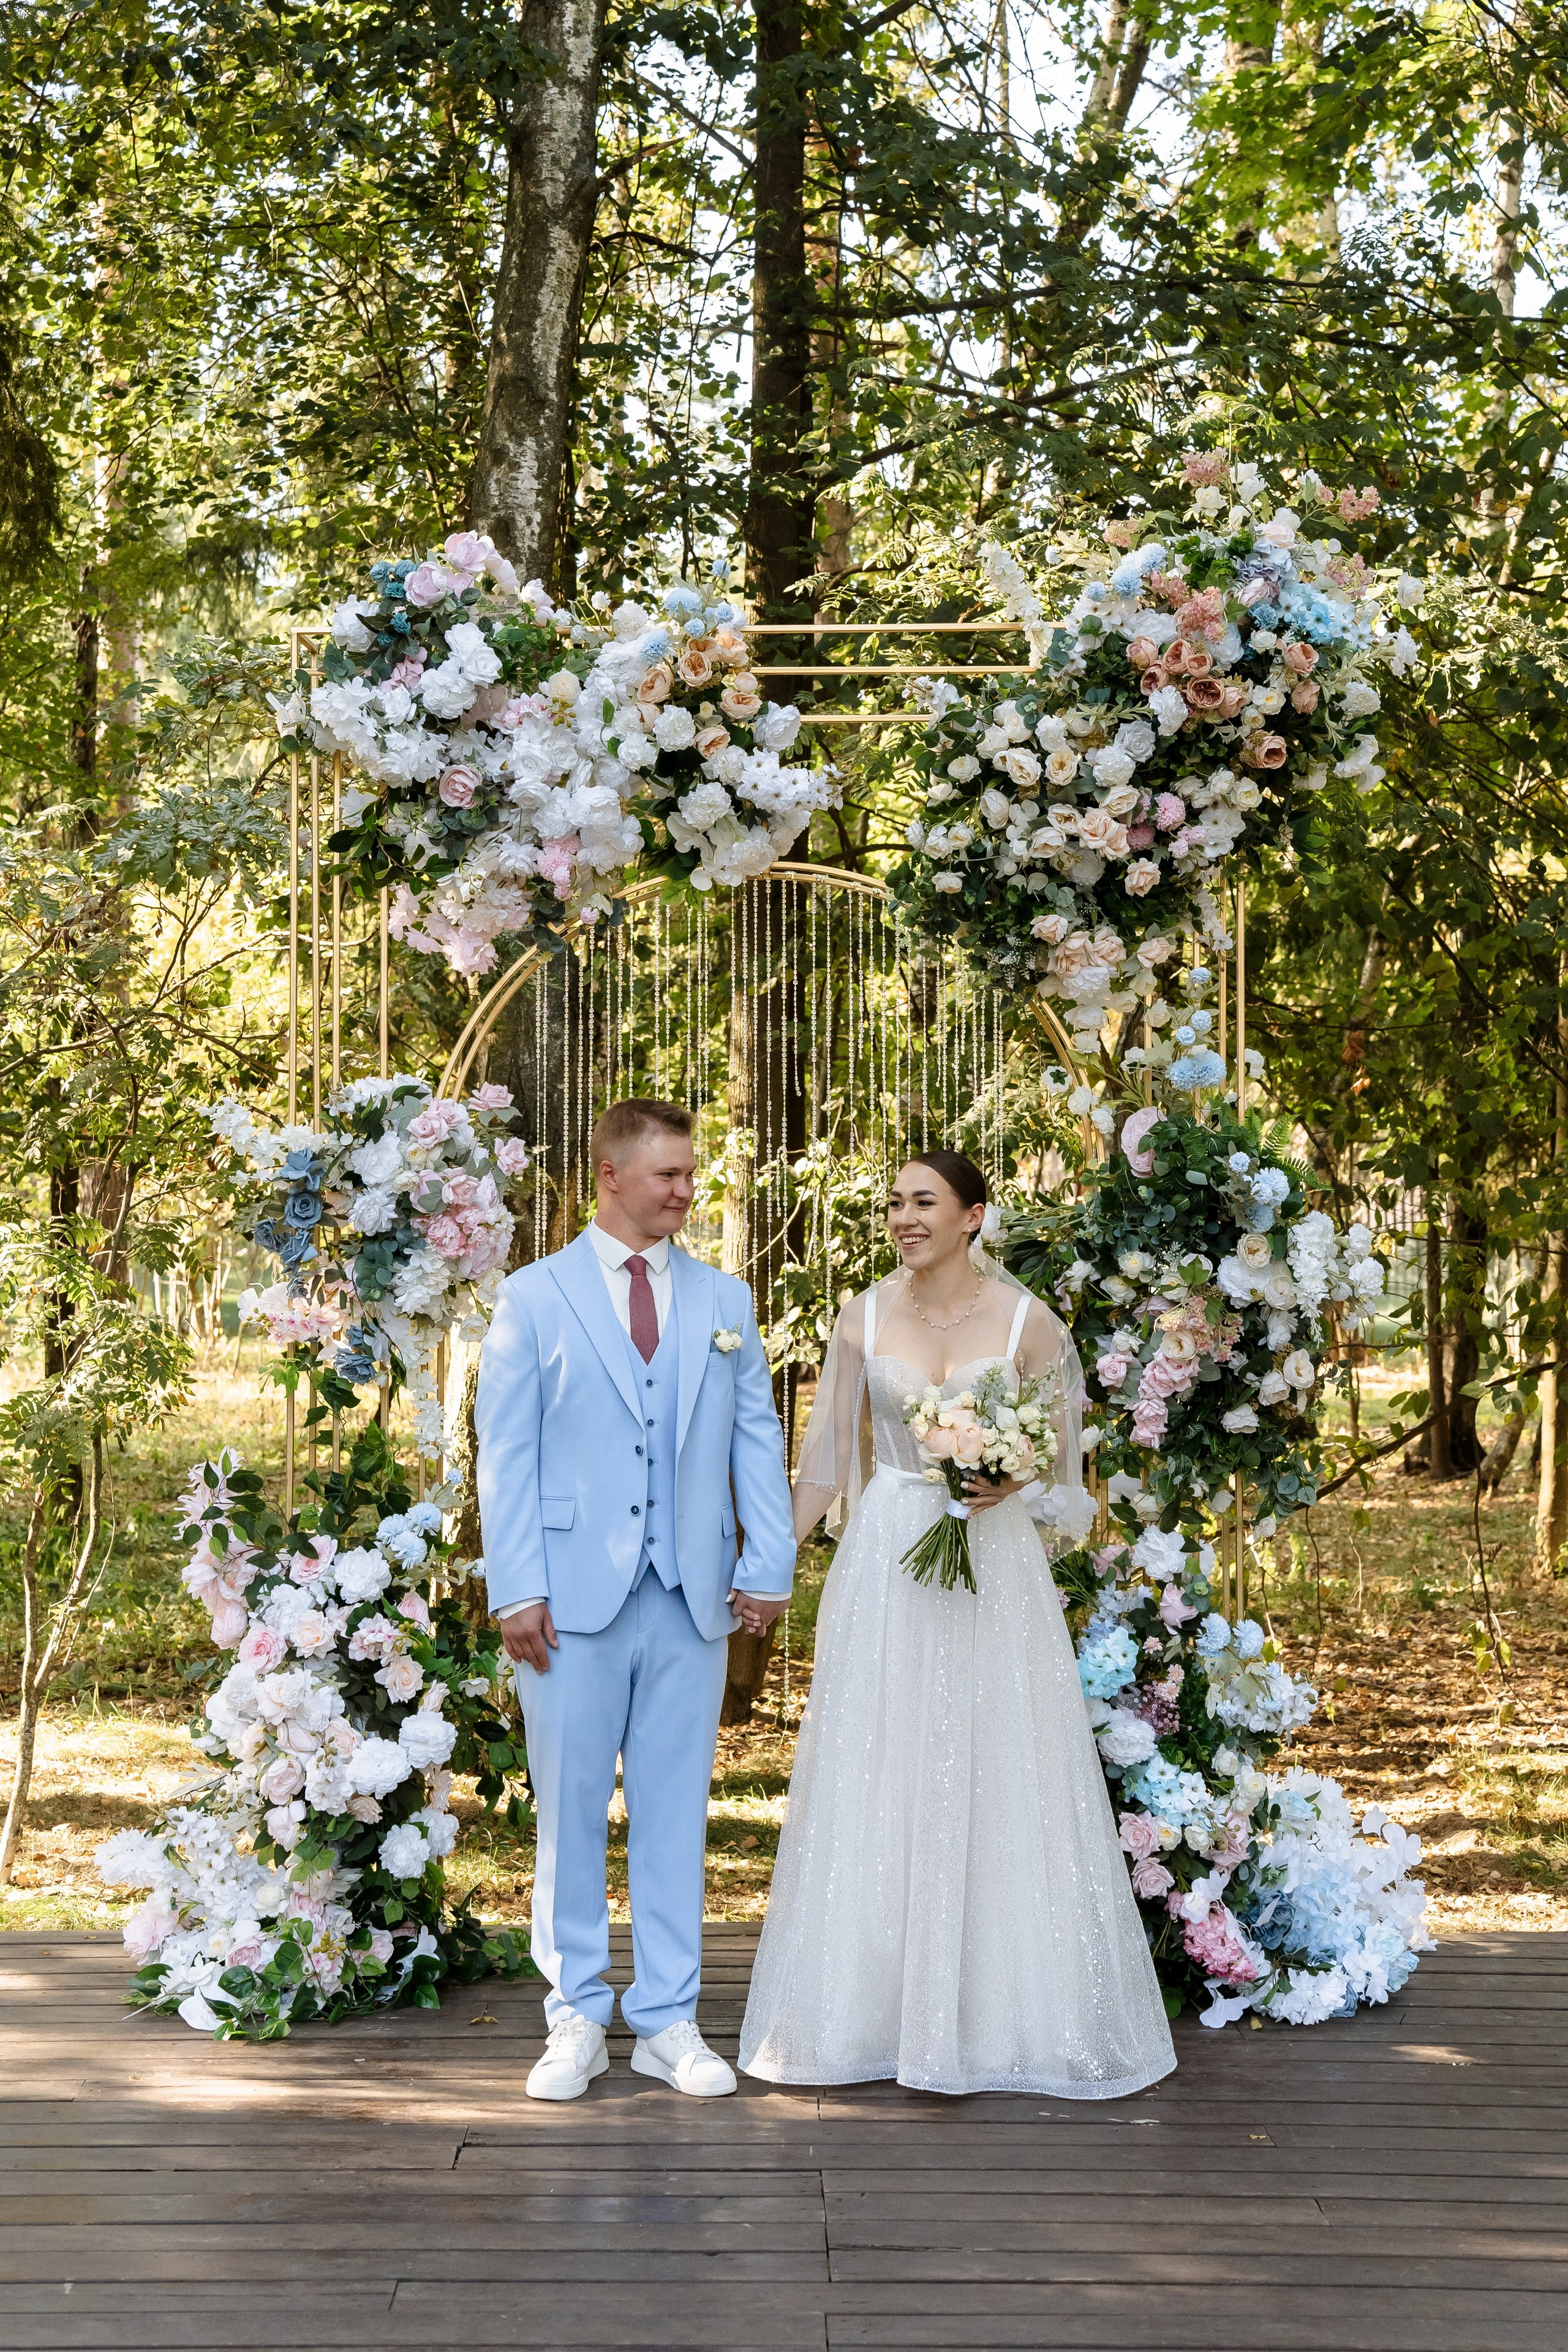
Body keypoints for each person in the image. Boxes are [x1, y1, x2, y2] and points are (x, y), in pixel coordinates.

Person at [739, 1148, 1175, 2098]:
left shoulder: (1028, 1321)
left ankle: (999, 2012)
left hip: (993, 1559)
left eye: (923, 1201)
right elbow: (822, 1464)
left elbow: (1064, 1460)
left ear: (974, 1216)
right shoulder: (860, 1316)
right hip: (890, 1552)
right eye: (894, 1202)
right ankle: (870, 2012)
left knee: (995, 1758)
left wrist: (1011, 1473)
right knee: (884, 1760)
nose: (903, 1216)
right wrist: (762, 1562)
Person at [475, 1098, 795, 2102]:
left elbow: (758, 1441)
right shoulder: (534, 1296)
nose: (686, 1192)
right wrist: (516, 1584)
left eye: (691, 1175)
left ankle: (667, 2019)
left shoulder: (725, 1301)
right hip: (566, 1600)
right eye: (668, 1176)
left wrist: (768, 1565)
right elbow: (507, 1453)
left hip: (689, 1595)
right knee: (568, 1812)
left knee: (673, 1815)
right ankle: (573, 2014)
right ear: (609, 1175)